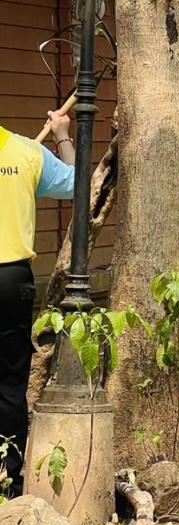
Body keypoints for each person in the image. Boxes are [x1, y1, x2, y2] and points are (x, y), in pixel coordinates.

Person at [1, 109, 75, 493]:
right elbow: (80, 184)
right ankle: (8, 482)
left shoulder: (28, 150)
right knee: (9, 385)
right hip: (11, 280)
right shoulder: (26, 152)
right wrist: (62, 136)